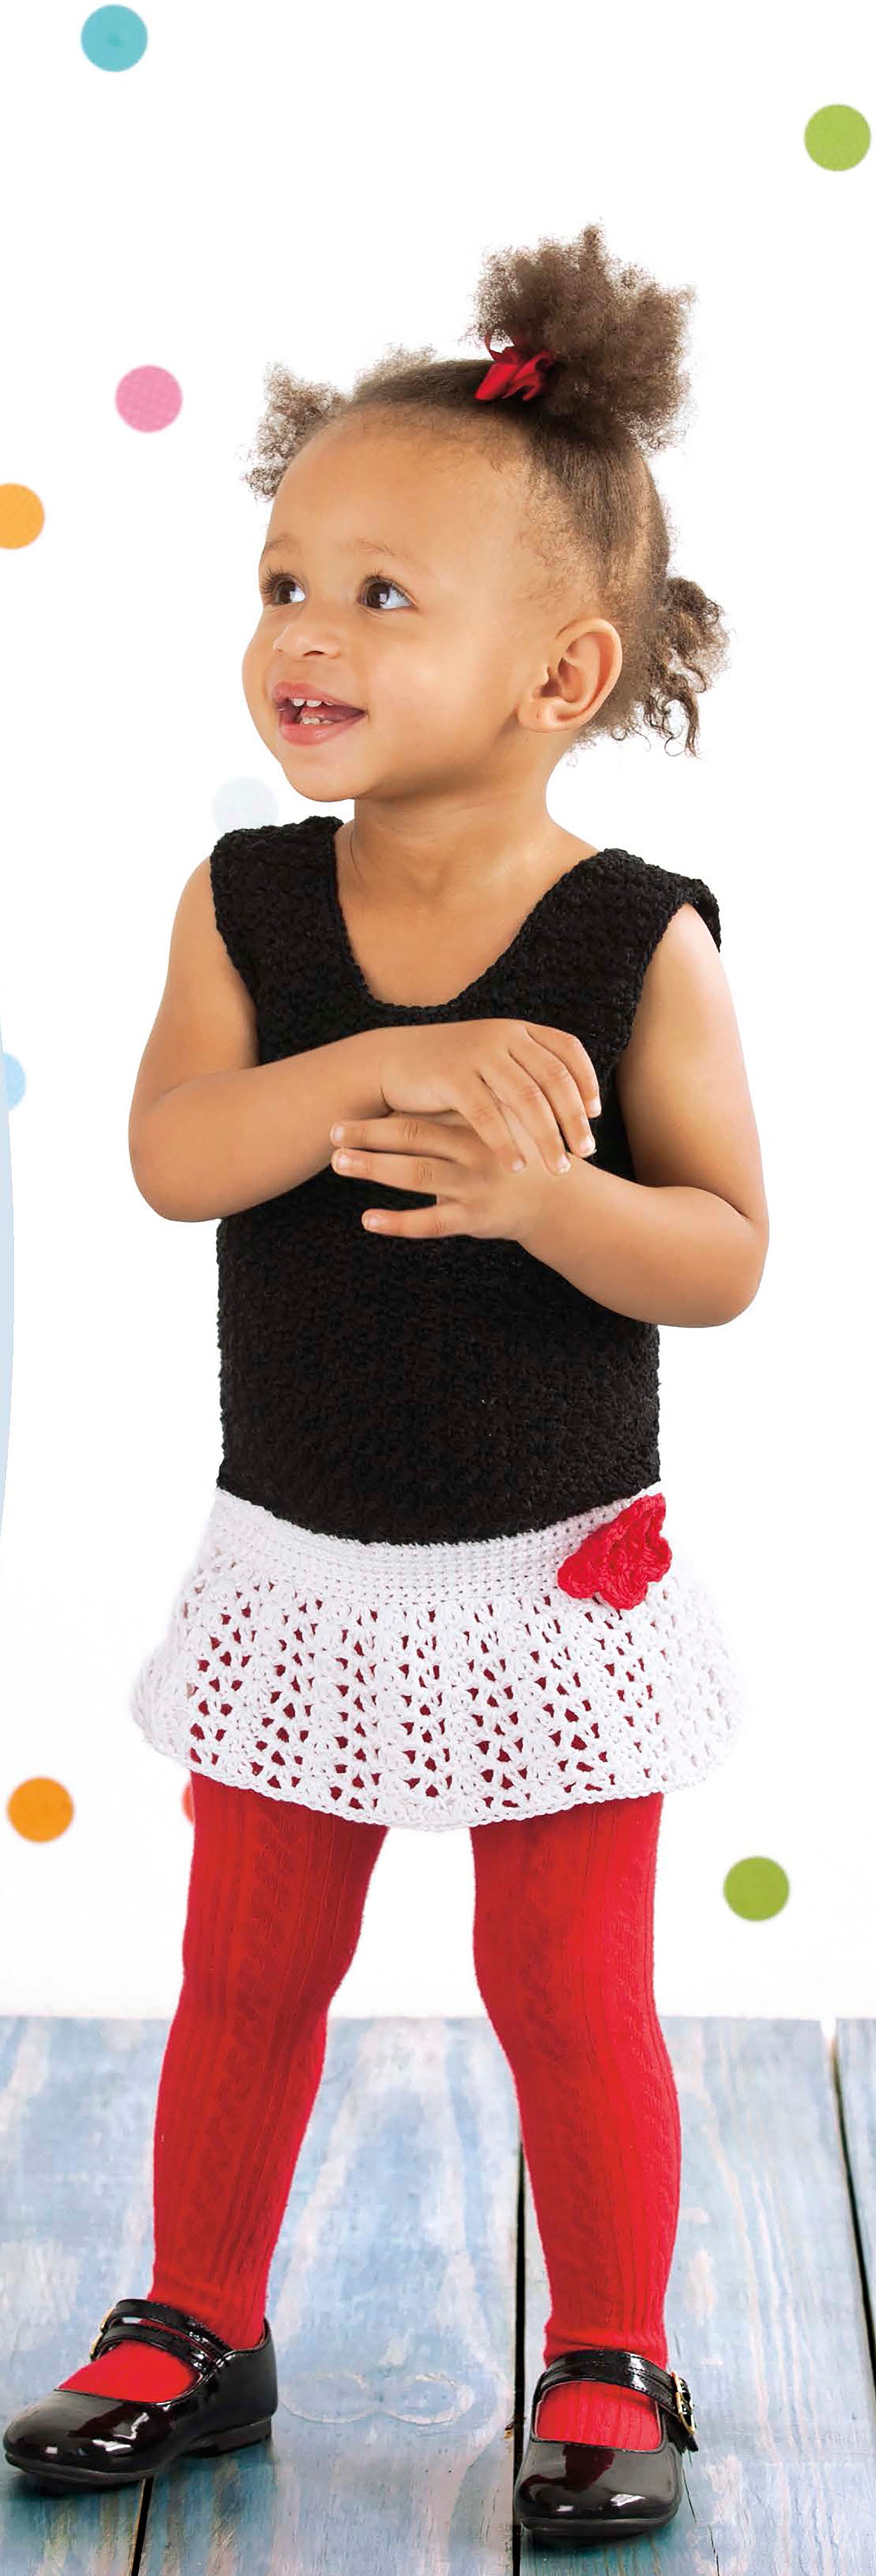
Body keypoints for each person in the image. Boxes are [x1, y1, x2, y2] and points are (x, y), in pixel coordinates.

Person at [4, 219, 768, 2540]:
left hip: (557, 1567)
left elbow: (724, 1254)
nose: (303, 640)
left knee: (564, 1984)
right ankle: (198, 2314)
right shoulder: (241, 903)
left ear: (563, 671)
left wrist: (555, 1202)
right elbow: (172, 1154)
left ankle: (615, 2348)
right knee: (243, 1963)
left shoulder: (638, 936)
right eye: (283, 582)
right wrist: (400, 1062)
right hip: (303, 1556)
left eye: (378, 598)